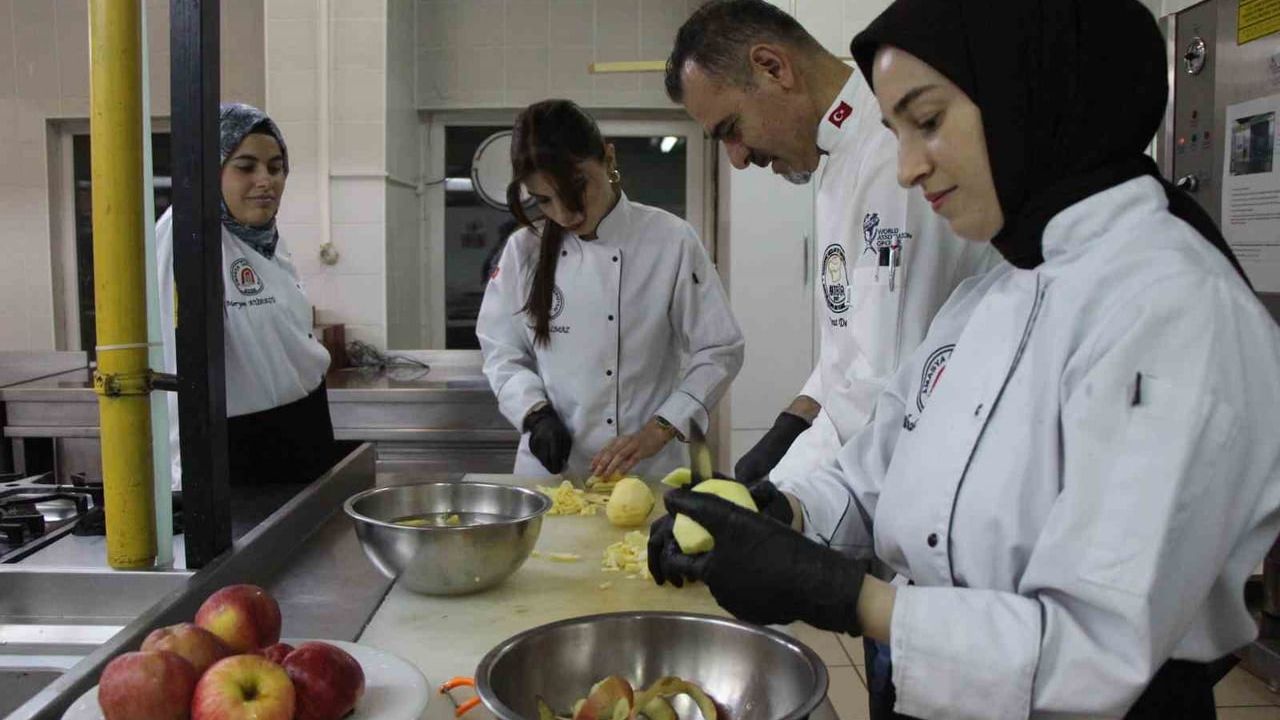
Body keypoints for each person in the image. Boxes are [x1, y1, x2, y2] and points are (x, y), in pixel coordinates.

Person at [649, 1, 1280, 718]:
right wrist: (782, 510)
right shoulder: (992, 292)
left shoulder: (1174, 310)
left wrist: (845, 596)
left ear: (1027, 93)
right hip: (935, 682)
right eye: (898, 133)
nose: (907, 169)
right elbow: (879, 466)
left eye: (927, 121)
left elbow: (1094, 650)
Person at [663, 0, 996, 526]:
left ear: (772, 67)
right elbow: (850, 343)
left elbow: (885, 384)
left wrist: (785, 500)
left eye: (731, 128)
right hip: (869, 483)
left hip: (919, 492)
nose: (737, 158)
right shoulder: (837, 158)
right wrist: (792, 422)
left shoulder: (890, 155)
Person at [476, 100, 744, 480]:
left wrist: (660, 428)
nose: (564, 214)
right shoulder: (524, 250)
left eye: (577, 188)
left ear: (609, 158)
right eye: (544, 200)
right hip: (553, 474)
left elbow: (719, 349)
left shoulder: (671, 240)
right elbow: (502, 352)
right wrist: (535, 414)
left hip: (648, 471)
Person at [158, 103, 336, 488]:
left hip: (303, 429)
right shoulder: (186, 237)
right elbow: (172, 364)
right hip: (238, 450)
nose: (265, 180)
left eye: (275, 167)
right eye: (245, 167)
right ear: (210, 170)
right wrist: (182, 480)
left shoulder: (264, 238)